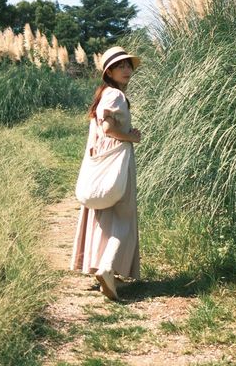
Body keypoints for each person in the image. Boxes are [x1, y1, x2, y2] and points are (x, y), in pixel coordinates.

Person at [70, 46, 142, 300]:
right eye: (120, 66)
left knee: (104, 218)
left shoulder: (103, 95)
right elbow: (108, 127)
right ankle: (108, 268)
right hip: (117, 163)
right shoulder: (115, 96)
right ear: (108, 72)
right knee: (123, 218)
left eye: (128, 65)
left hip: (102, 164)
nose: (127, 70)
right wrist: (130, 137)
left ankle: (101, 266)